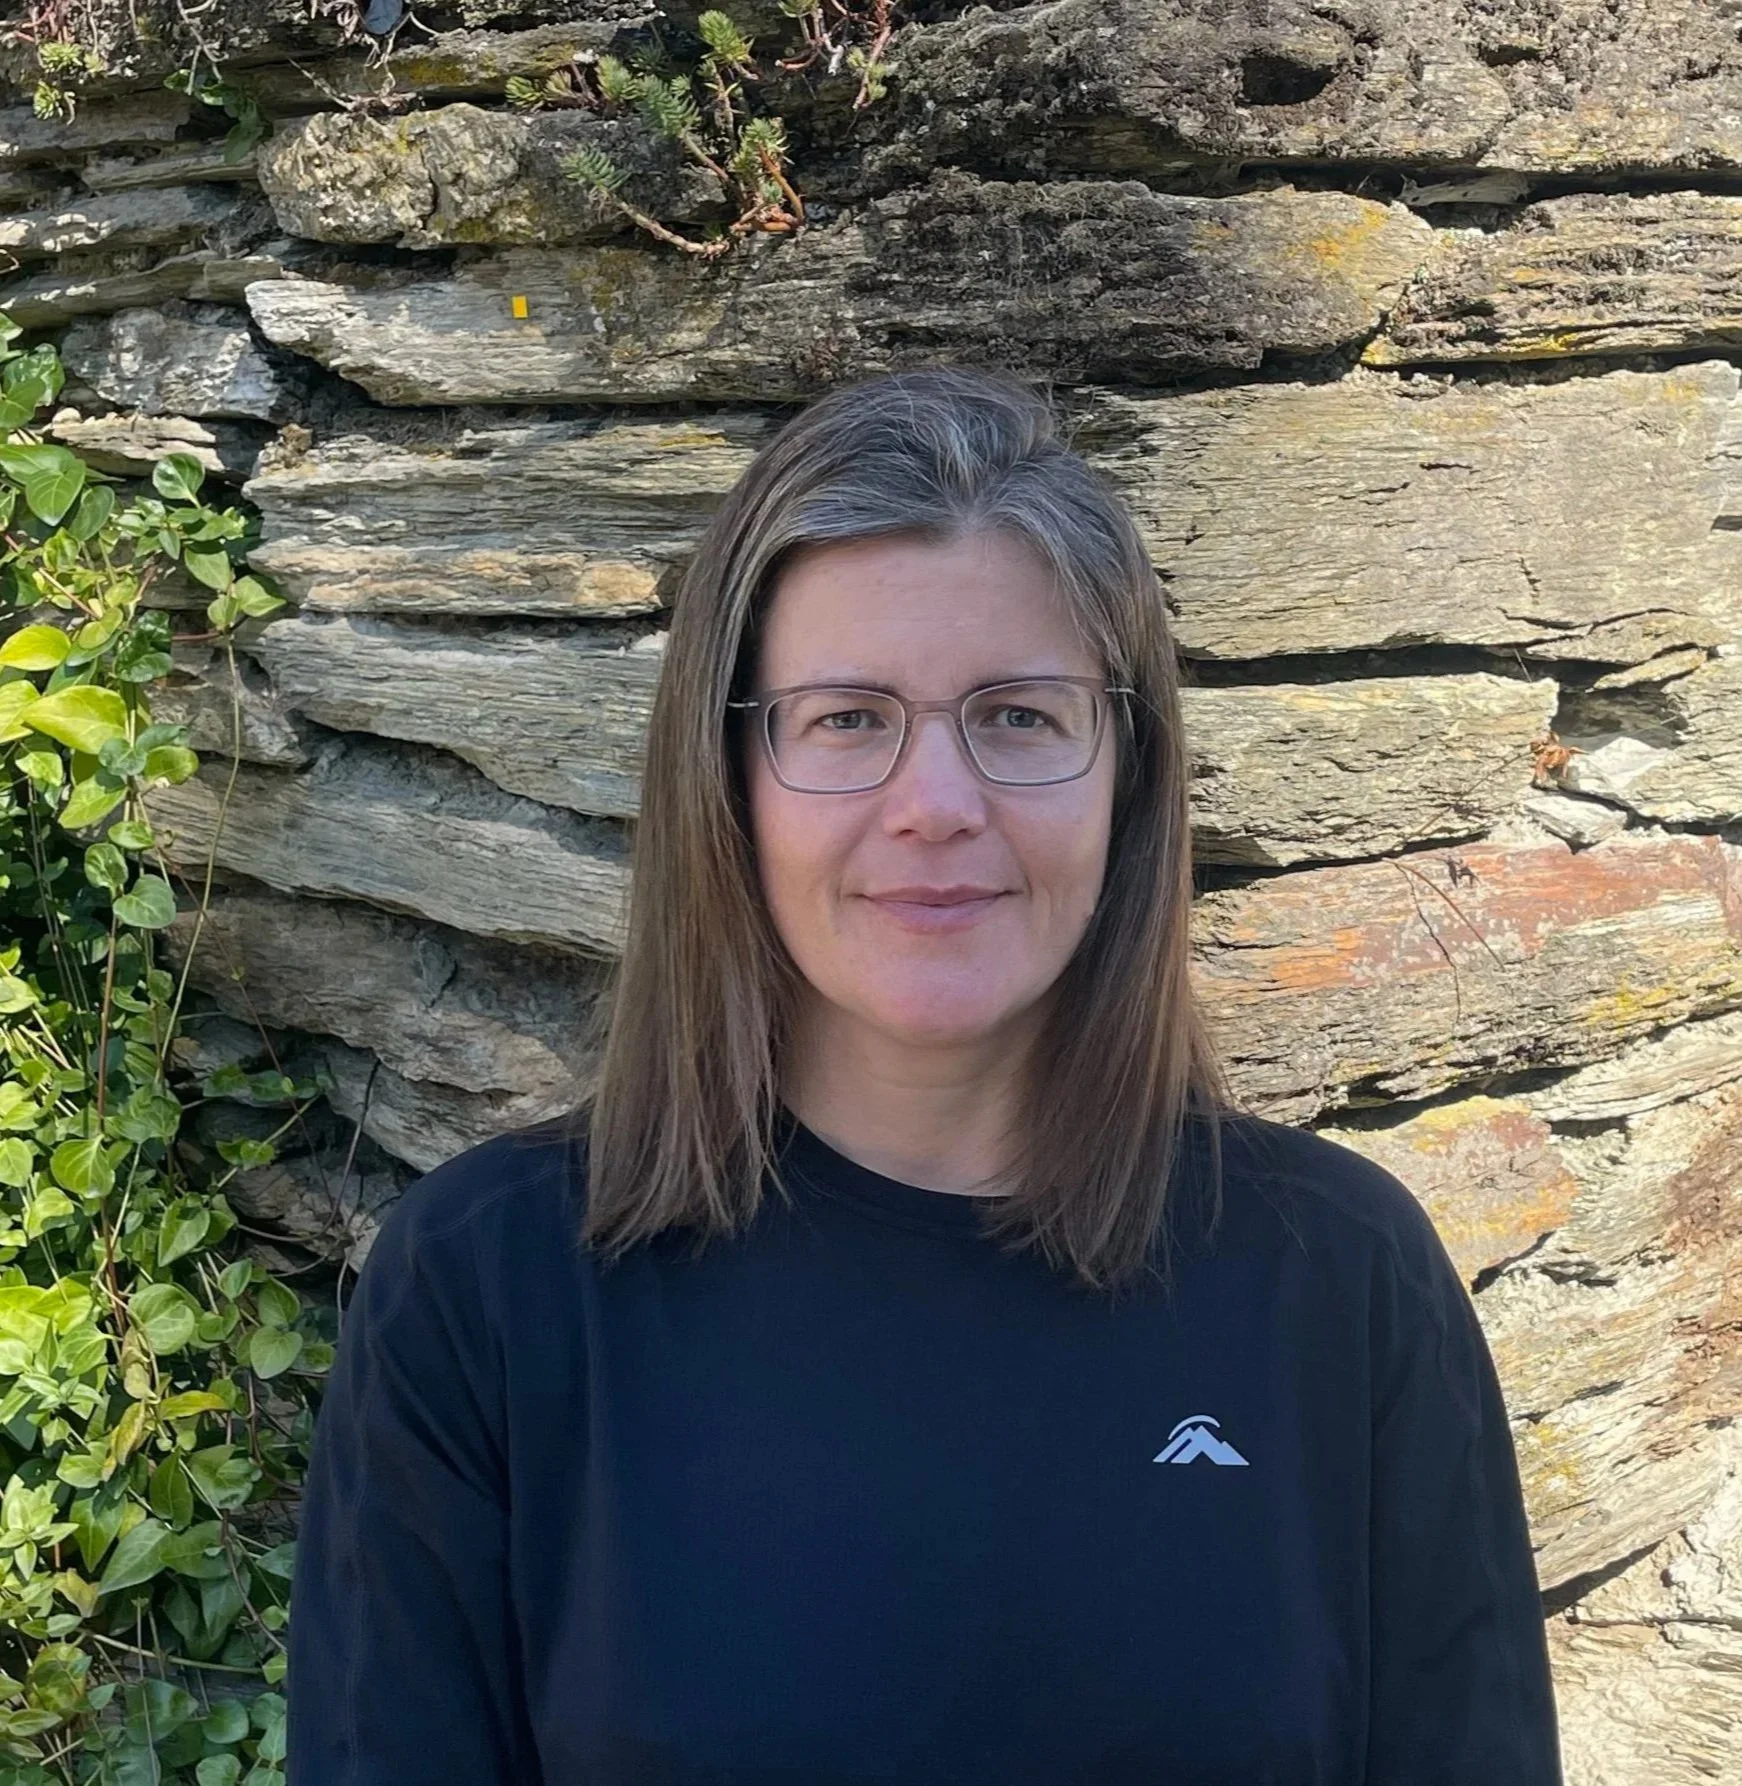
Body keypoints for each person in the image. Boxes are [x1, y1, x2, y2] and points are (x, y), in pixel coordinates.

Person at [284, 365, 1564, 1784]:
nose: (935, 806)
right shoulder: (487, 1294)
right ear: (730, 778)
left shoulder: (1337, 1281)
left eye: (1017, 715)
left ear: (1123, 774)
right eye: (846, 718)